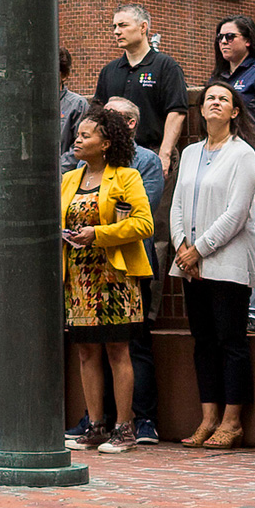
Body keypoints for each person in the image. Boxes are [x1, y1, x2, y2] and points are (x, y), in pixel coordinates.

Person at [170, 80, 255, 449]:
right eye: (209, 98)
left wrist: (200, 249)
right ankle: (208, 417)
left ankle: (232, 420)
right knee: (203, 342)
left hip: (226, 263)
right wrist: (181, 247)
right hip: (191, 266)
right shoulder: (190, 152)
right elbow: (177, 204)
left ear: (234, 111)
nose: (215, 103)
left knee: (230, 340)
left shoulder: (243, 155)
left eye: (223, 99)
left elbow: (237, 213)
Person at [60, 101, 153, 453]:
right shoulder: (69, 179)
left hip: (114, 278)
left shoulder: (126, 176)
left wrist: (97, 234)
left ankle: (124, 427)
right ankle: (96, 425)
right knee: (86, 352)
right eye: (77, 134)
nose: (77, 140)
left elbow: (143, 224)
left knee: (117, 350)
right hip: (80, 279)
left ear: (106, 142)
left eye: (85, 135)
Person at [106, 97, 165, 443]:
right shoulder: (86, 164)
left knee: (135, 344)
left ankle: (143, 419)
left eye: (109, 118)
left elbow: (136, 211)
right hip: (95, 268)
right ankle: (98, 418)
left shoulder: (147, 161)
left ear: (130, 124)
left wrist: (97, 221)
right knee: (98, 346)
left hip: (132, 264)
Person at [94, 4, 188, 173]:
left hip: (153, 153)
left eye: (123, 25)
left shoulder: (166, 66)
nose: (116, 31)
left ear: (143, 27)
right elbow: (97, 113)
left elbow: (177, 112)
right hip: (113, 157)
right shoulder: (109, 70)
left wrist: (164, 154)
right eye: (114, 26)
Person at [60, 49, 89, 162]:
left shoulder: (77, 105)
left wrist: (56, 170)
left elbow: (81, 147)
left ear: (64, 75)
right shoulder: (29, 105)